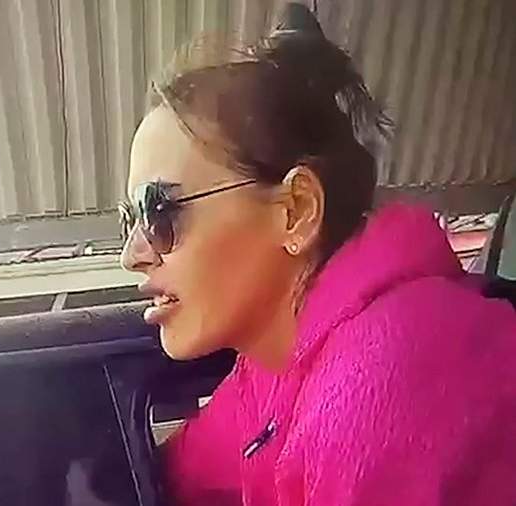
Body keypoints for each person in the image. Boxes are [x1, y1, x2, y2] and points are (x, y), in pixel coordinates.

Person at [119, 3, 516, 505]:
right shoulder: (271, 366)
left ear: (296, 211)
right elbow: (175, 471)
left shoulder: (376, 402)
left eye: (159, 211)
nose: (132, 254)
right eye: (129, 219)